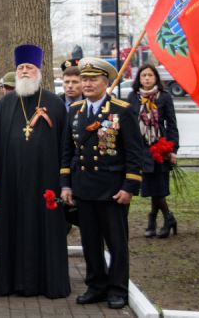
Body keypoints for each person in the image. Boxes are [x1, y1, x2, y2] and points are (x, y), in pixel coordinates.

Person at [60, 57, 144, 310]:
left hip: (112, 190)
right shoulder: (75, 111)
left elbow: (134, 153)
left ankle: (117, 289)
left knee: (116, 243)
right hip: (84, 188)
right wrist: (66, 185)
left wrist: (129, 187)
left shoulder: (122, 109)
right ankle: (96, 285)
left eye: (92, 79)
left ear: (105, 82)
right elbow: (67, 152)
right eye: (84, 79)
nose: (86, 84)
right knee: (90, 242)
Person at [0, 44, 70, 299]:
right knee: (13, 230)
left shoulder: (55, 104)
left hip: (45, 184)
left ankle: (48, 283)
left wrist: (64, 181)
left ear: (39, 71)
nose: (24, 71)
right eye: (20, 68)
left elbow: (65, 146)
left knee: (45, 232)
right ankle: (12, 283)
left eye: (29, 67)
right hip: (12, 184)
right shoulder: (3, 105)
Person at [127, 63, 179, 238]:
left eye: (150, 75)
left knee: (158, 187)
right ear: (139, 79)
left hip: (160, 147)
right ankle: (165, 218)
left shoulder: (164, 97)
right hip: (141, 148)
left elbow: (172, 125)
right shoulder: (132, 97)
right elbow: (128, 124)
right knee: (151, 187)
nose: (147, 78)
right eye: (144, 75)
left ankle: (157, 220)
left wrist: (173, 150)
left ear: (156, 77)